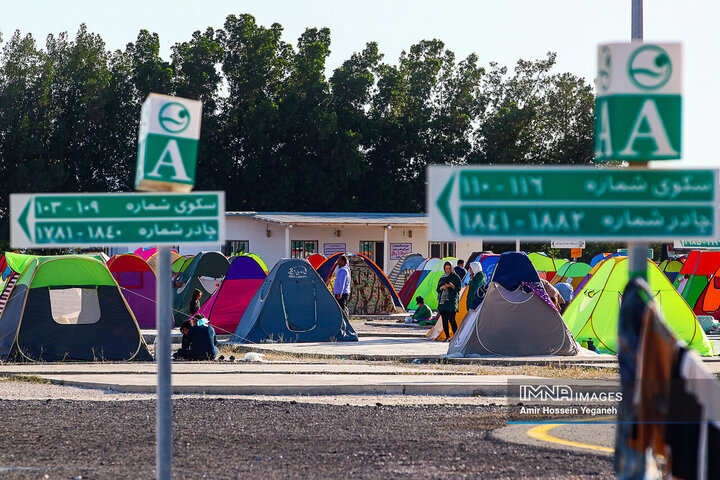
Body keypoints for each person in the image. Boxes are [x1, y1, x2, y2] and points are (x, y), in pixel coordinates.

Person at [437, 261, 462, 340]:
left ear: (452, 268)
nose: (448, 270)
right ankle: (447, 336)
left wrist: (451, 286)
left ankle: (455, 337)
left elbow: (458, 288)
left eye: (449, 268)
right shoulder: (442, 277)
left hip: (452, 301)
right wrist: (442, 288)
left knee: (452, 319)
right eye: (446, 268)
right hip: (443, 302)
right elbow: (437, 289)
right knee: (444, 320)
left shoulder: (455, 277)